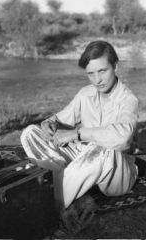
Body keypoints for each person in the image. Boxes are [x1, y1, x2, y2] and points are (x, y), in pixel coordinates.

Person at [20, 41, 139, 214]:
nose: (97, 80)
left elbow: (123, 137)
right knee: (30, 134)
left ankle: (47, 207)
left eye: (102, 71)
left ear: (115, 66)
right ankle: (67, 187)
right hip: (84, 160)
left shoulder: (128, 99)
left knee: (101, 150)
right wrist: (49, 124)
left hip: (116, 173)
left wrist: (76, 134)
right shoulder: (85, 93)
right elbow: (59, 118)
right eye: (90, 74)